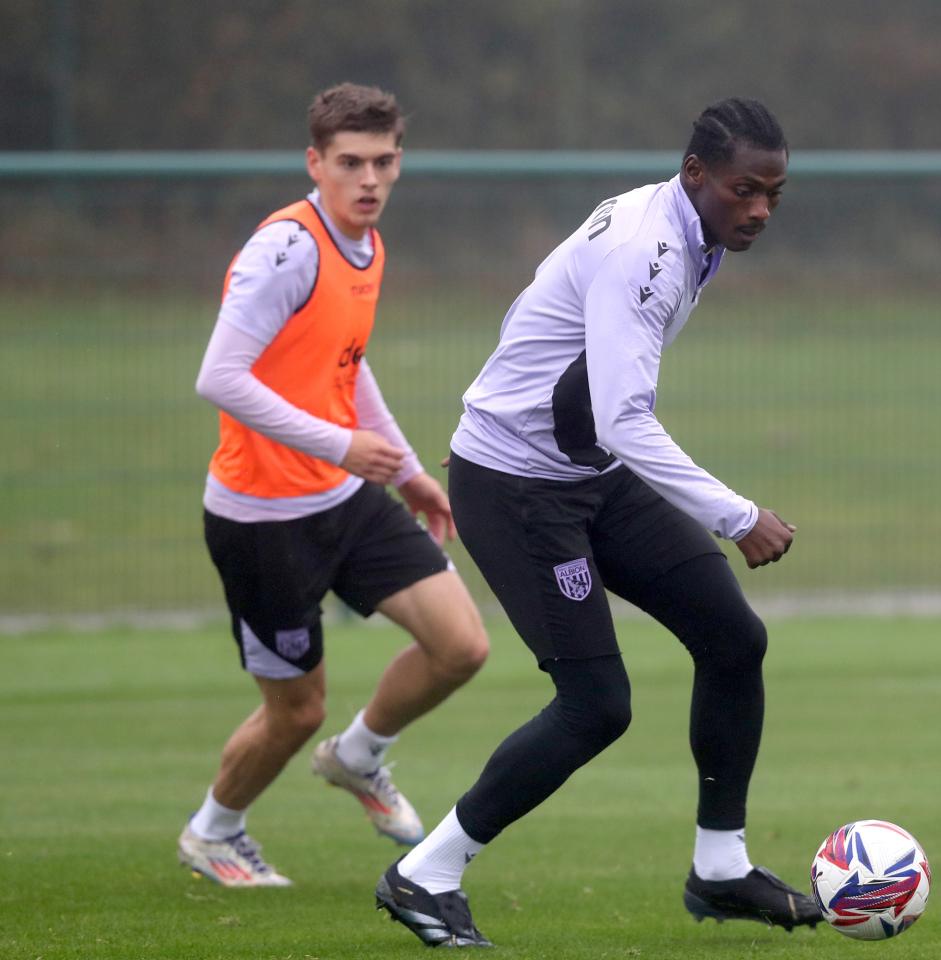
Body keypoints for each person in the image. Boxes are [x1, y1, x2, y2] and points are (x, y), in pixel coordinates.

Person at [374, 97, 821, 947]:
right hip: (518, 488)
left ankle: (721, 869)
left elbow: (564, 358)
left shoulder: (685, 226)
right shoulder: (645, 253)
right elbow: (622, 419)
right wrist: (738, 516)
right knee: (595, 705)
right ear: (696, 175)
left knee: (733, 640)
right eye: (744, 190)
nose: (760, 209)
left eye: (774, 193)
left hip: (587, 475)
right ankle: (423, 874)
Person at [180, 83, 489, 887]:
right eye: (350, 163)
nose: (369, 179)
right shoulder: (287, 248)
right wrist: (341, 446)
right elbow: (219, 376)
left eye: (384, 161)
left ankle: (358, 758)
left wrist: (409, 468)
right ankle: (214, 832)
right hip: (261, 520)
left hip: (342, 500)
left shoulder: (367, 245)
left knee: (461, 645)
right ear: (315, 162)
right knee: (296, 711)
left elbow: (345, 368)